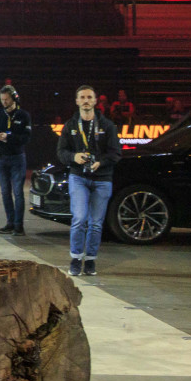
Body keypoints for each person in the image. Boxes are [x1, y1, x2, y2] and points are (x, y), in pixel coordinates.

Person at [57, 85, 119, 276]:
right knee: (79, 218)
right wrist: (73, 157)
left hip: (102, 179)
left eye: (89, 97)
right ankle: (76, 258)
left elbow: (116, 153)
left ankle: (90, 260)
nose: (86, 100)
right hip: (79, 177)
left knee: (96, 223)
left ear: (95, 101)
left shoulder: (107, 126)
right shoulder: (70, 125)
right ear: (77, 101)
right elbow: (61, 152)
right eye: (82, 97)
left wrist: (101, 162)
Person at [0, 84, 32, 235]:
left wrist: (8, 137)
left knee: (18, 192)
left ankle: (19, 226)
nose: (4, 102)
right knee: (5, 192)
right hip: (1, 158)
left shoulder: (23, 115)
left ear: (14, 98)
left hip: (17, 158)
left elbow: (26, 138)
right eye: (2, 99)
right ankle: (10, 223)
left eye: (6, 99)